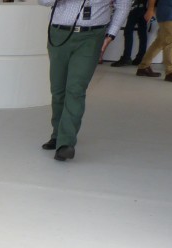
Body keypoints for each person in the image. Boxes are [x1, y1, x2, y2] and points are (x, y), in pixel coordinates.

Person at [38, 0, 130, 161]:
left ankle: (66, 142)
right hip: (59, 33)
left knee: (76, 89)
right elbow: (43, 1)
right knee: (58, 89)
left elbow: (123, 5)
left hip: (92, 37)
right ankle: (57, 134)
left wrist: (111, 34)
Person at [136, 0, 172, 81]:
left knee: (160, 42)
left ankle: (143, 67)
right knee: (170, 41)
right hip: (169, 12)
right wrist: (150, 9)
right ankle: (170, 72)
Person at [111, 0, 148, 66]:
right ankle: (139, 57)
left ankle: (128, 57)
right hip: (141, 7)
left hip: (138, 7)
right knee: (141, 33)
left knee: (131, 32)